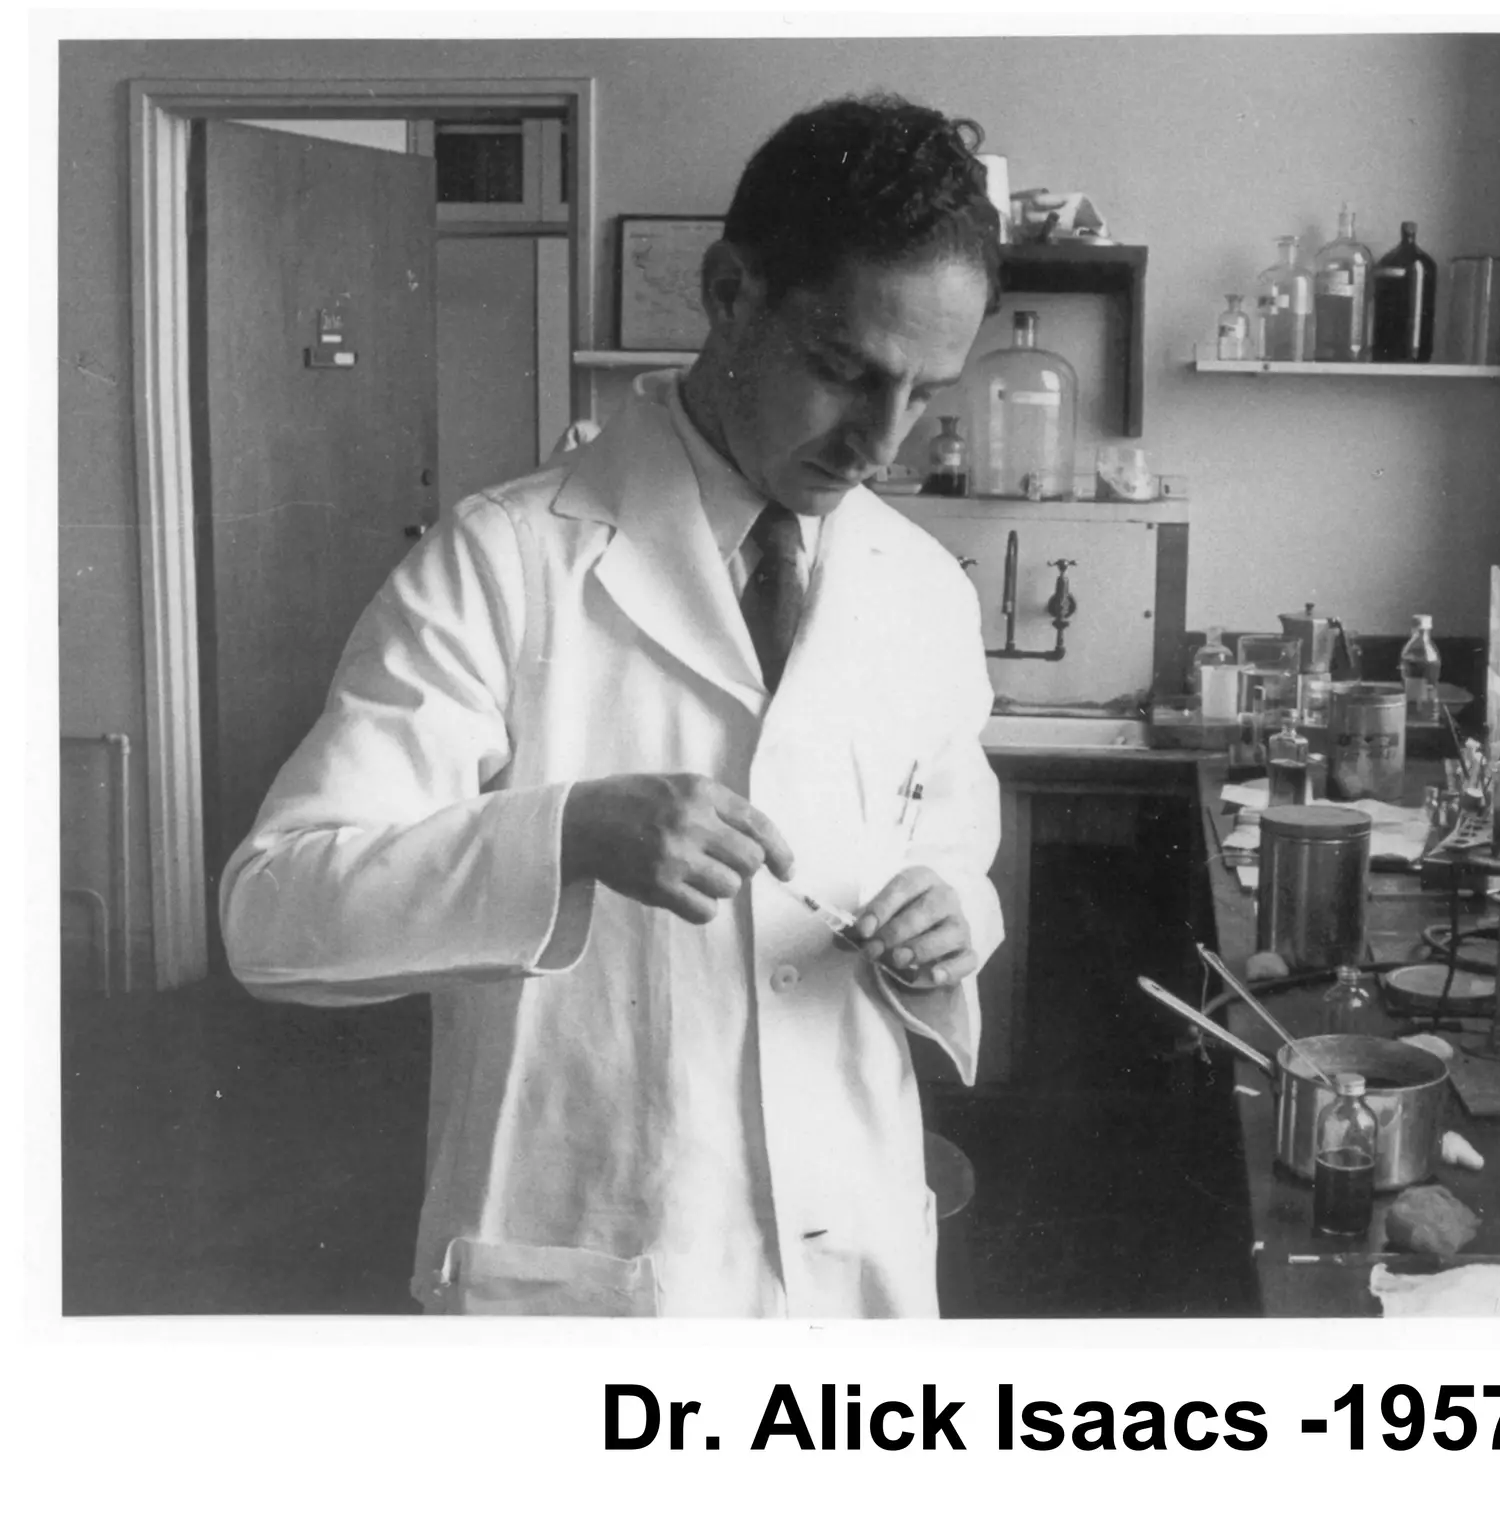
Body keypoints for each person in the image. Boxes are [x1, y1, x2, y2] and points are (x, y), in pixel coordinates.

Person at [220, 93, 1007, 1318]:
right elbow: (274, 914)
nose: (880, 442)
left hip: (847, 1269)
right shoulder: (502, 561)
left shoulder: (919, 588)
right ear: (729, 292)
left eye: (924, 392)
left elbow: (952, 847)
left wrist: (953, 915)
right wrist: (568, 834)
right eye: (844, 370)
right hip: (596, 1273)